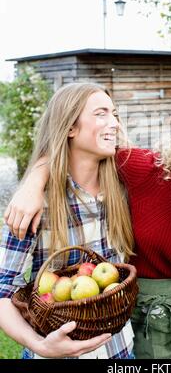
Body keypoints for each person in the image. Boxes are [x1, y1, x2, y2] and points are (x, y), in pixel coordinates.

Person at [4, 93, 171, 359]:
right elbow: (70, 147)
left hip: (161, 330)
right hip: (122, 319)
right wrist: (35, 180)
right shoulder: (146, 170)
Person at [0, 82, 136, 359]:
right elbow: (2, 291)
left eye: (115, 114)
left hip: (120, 350)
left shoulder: (124, 187)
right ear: (71, 128)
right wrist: (40, 346)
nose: (114, 123)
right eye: (101, 114)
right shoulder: (37, 204)